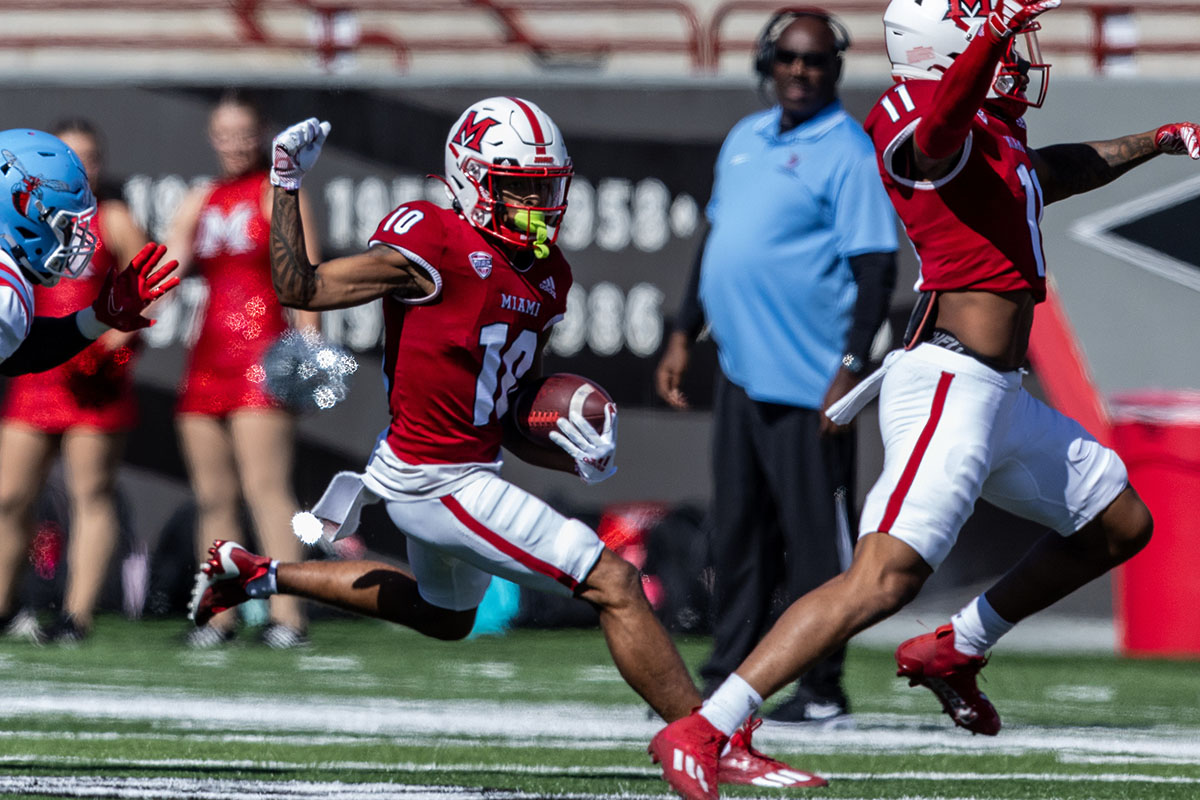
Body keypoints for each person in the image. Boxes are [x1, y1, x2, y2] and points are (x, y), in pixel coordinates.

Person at [191, 98, 826, 790]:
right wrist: (284, 186)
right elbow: (300, 284)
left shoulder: (547, 275)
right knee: (612, 581)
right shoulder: (431, 240)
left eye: (546, 188)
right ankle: (703, 740)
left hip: (456, 467)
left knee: (446, 617)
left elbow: (506, 411)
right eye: (518, 187)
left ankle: (258, 574)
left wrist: (573, 448)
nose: (537, 205)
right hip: (437, 477)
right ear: (469, 180)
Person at [648, 0, 1197, 796]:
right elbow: (938, 132)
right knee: (880, 579)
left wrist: (1159, 140)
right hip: (947, 382)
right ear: (947, 52)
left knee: (1118, 522)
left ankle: (958, 646)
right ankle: (706, 726)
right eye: (993, 48)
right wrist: (991, 39)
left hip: (999, 394)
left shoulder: (993, 133)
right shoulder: (912, 118)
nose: (1017, 61)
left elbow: (1058, 171)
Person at [655, 8, 897, 723]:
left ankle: (822, 688)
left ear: (835, 70)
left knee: (815, 545)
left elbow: (876, 269)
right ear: (768, 63)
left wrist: (851, 368)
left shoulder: (848, 150)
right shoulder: (745, 138)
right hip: (740, 370)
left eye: (816, 61)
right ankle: (728, 679)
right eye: (789, 58)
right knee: (736, 535)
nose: (800, 71)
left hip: (812, 380)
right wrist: (681, 332)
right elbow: (717, 243)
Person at [0, 128, 179, 638]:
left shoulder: (15, 291)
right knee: (11, 495)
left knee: (88, 494)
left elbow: (22, 349)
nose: (71, 236)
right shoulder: (8, 295)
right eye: (58, 214)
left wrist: (98, 319)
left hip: (77, 369)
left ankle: (72, 616)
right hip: (45, 371)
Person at [165, 91, 321, 649]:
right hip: (206, 358)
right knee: (213, 497)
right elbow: (164, 266)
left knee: (267, 490)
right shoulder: (200, 196)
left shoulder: (278, 193)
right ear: (212, 135)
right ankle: (217, 617)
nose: (234, 143)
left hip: (264, 356)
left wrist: (309, 350)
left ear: (262, 136)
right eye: (223, 132)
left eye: (243, 132)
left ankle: (288, 617)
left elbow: (301, 279)